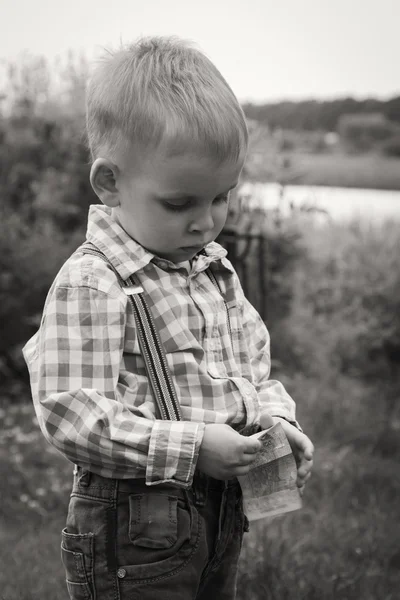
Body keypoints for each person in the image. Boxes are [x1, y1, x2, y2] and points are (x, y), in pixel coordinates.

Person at [23, 36, 314, 600]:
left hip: (219, 521)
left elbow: (250, 370)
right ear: (110, 183)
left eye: (222, 198)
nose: (206, 224)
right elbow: (68, 413)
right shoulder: (95, 282)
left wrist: (279, 422)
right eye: (180, 204)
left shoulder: (212, 273)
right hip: (134, 536)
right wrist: (192, 446)